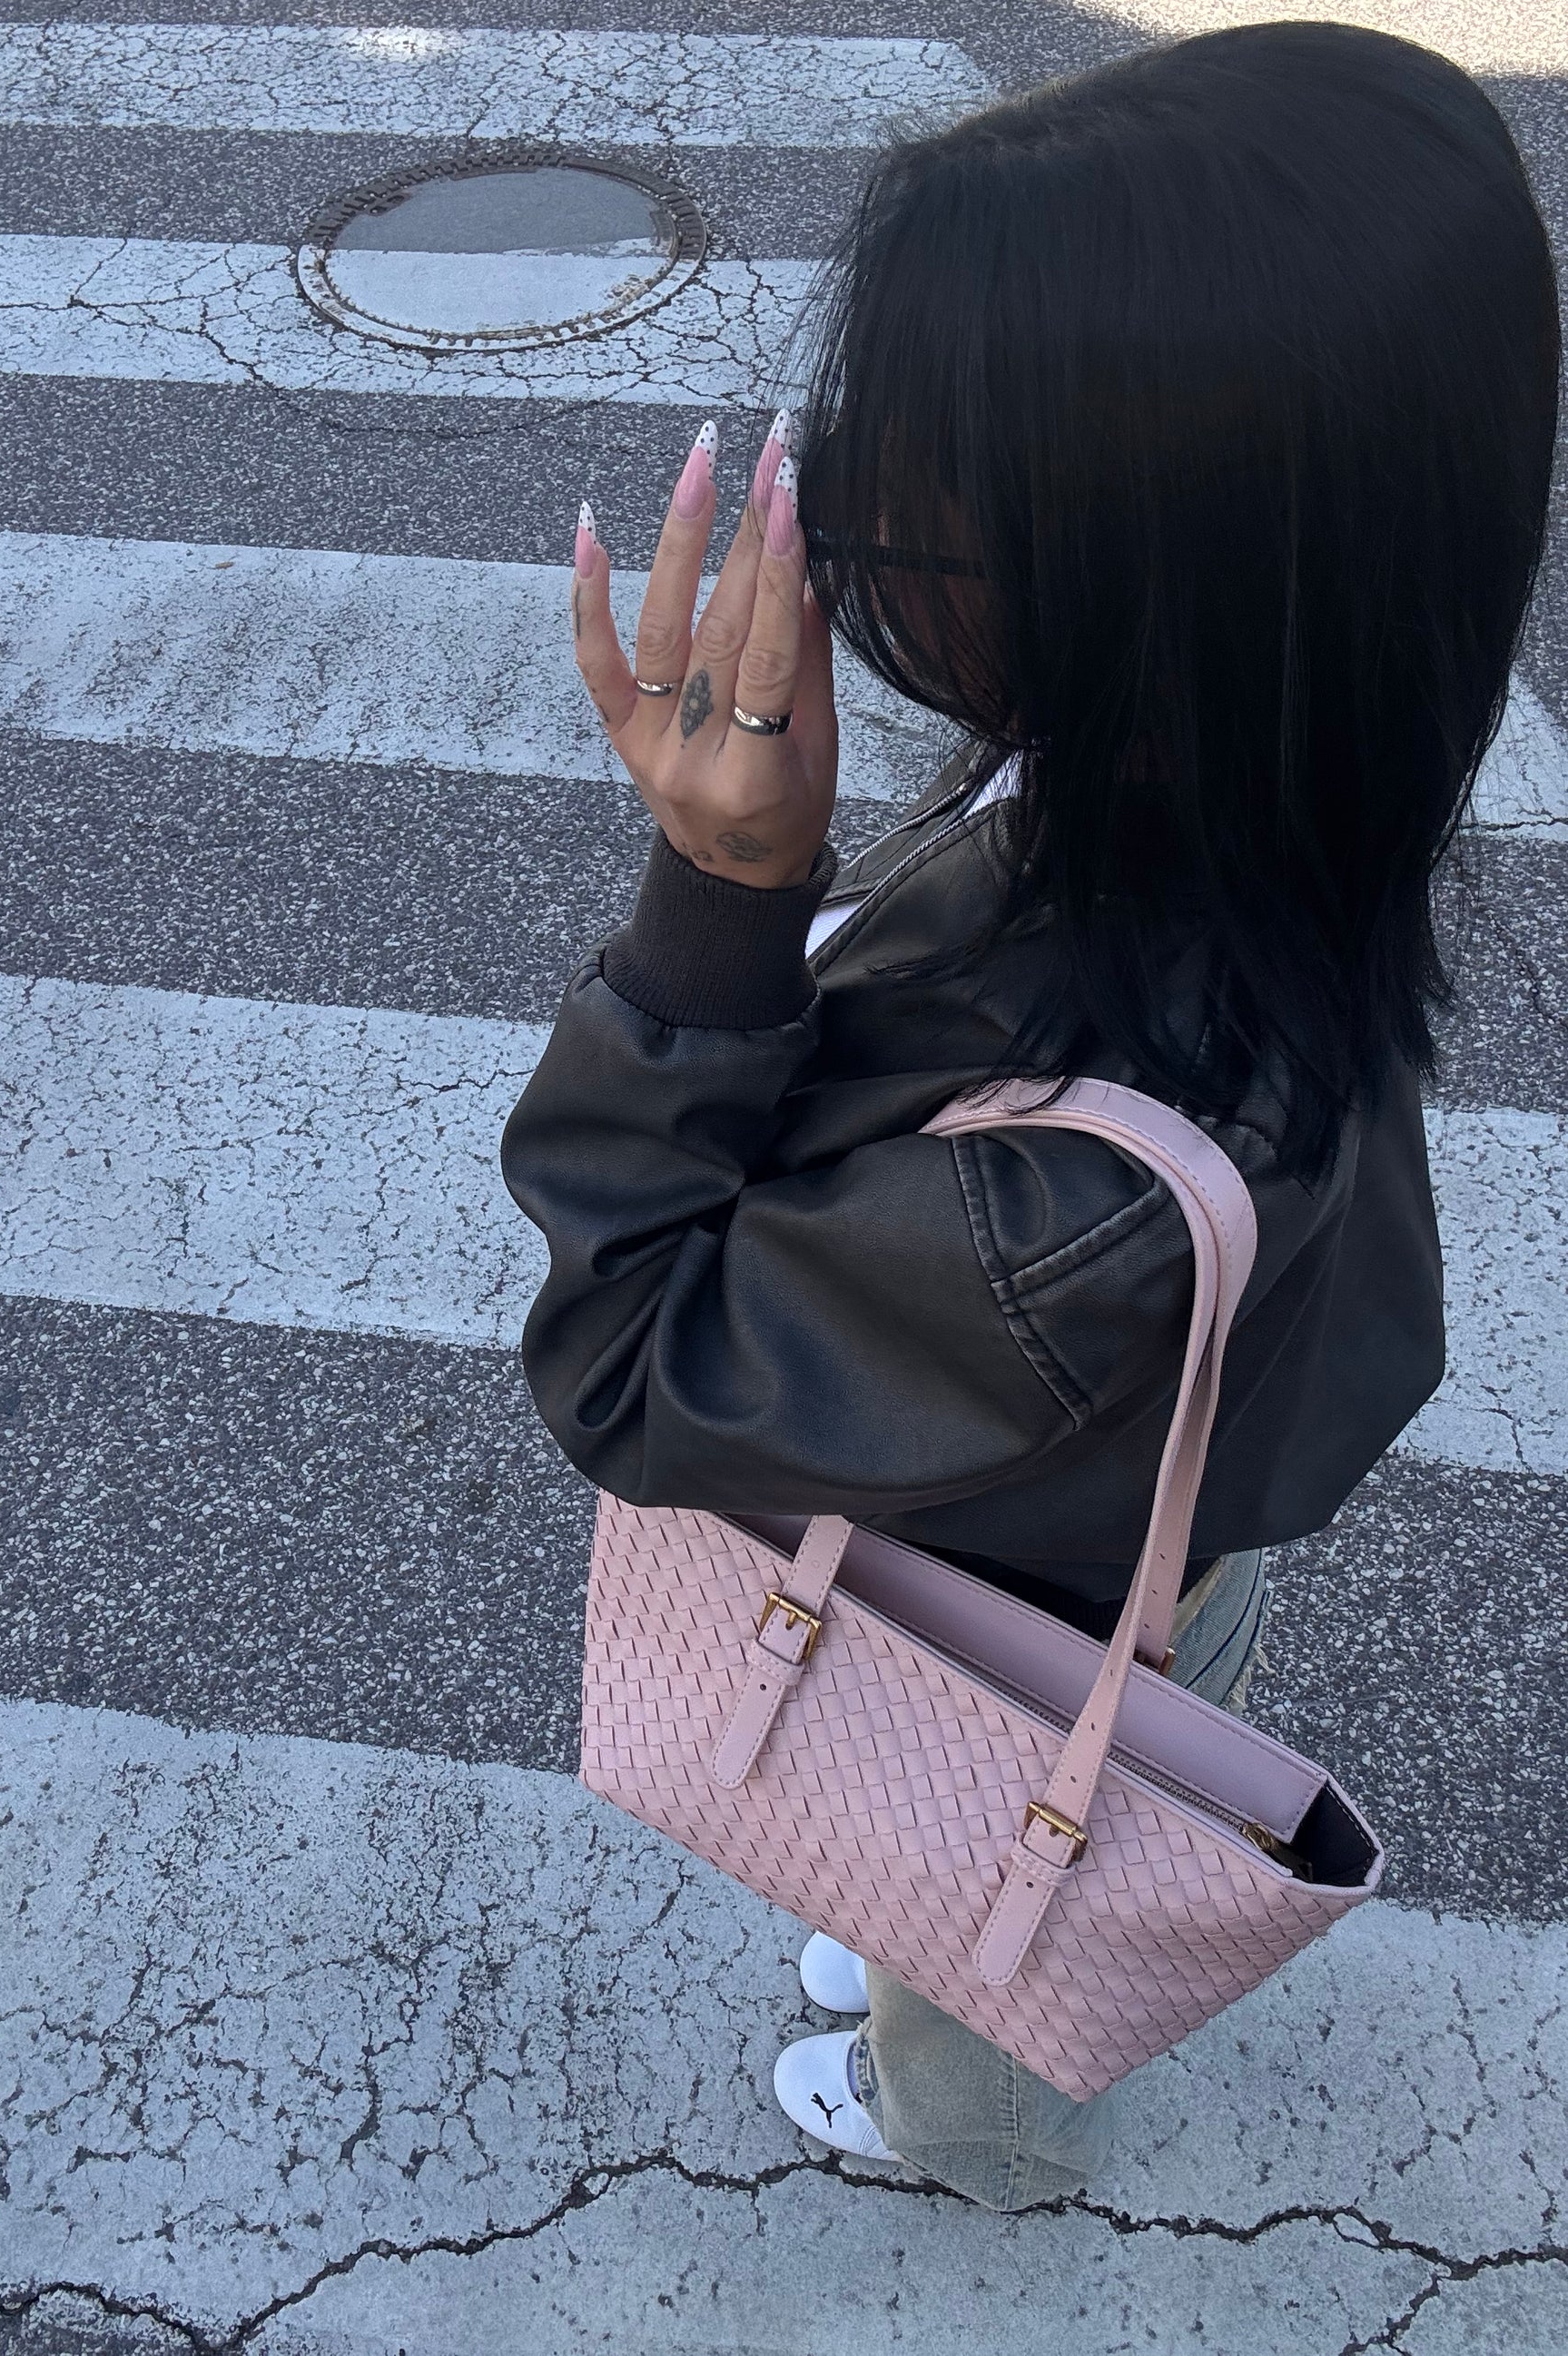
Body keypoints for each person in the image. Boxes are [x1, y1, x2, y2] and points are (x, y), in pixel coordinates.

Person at [499, 21, 1559, 2208]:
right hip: (1150, 1480)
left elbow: (629, 1369)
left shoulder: (1066, 1206)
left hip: (1015, 1571)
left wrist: (719, 894)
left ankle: (965, 2138)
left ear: (1162, 569)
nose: (846, 521)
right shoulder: (1290, 771)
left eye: (926, 498)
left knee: (990, 1919)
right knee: (973, 1851)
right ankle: (927, 1936)